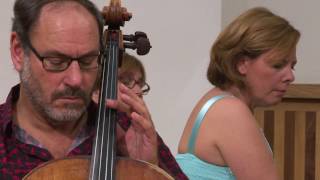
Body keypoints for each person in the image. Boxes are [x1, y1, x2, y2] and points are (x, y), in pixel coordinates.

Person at [0, 0, 187, 179]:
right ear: (18, 51)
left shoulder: (126, 129)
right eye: (56, 62)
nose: (75, 79)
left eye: (88, 61)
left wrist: (148, 170)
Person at [176, 7, 300, 180]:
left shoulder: (215, 100)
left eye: (292, 66)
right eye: (278, 65)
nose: (290, 76)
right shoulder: (230, 111)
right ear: (242, 63)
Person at [92, 52, 187, 179]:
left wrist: (150, 165)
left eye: (140, 84)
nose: (138, 91)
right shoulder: (82, 126)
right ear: (97, 89)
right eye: (126, 82)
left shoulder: (140, 128)